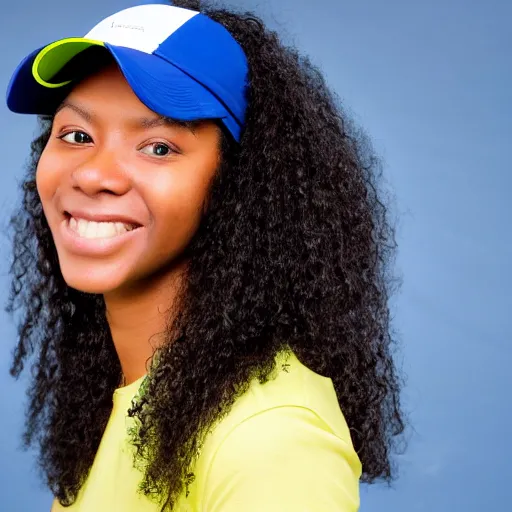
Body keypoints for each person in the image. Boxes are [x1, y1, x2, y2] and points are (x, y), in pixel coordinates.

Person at [5, 1, 405, 511]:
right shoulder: (127, 395)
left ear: (239, 187)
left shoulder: (269, 441)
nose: (93, 174)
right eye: (77, 136)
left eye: (158, 147)